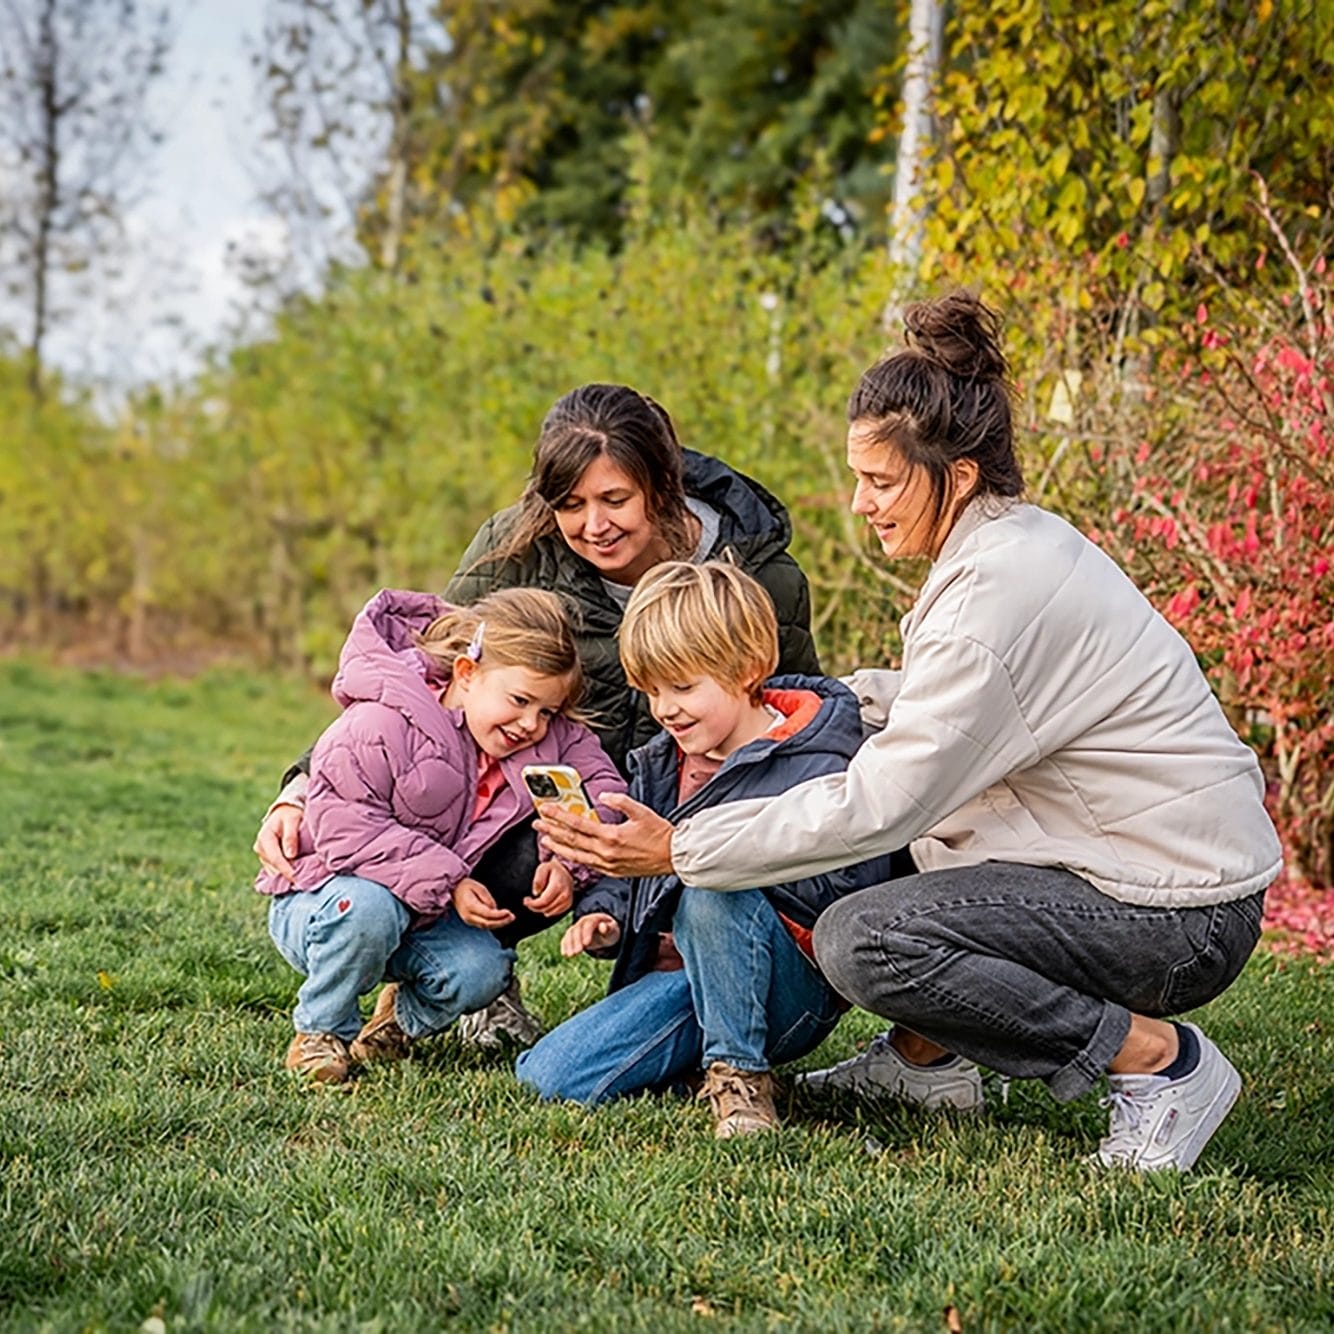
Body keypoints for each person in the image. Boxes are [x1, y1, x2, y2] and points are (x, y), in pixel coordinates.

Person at [534, 293, 1282, 1172]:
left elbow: (885, 802)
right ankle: (929, 1062)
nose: (861, 504)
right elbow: (957, 705)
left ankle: (1161, 1064)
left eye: (882, 482)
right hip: (1134, 866)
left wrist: (685, 849)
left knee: (867, 937)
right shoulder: (1011, 548)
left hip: (1175, 912)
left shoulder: (997, 592)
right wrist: (828, 700)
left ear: (956, 475)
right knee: (918, 864)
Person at [254, 382, 820, 1044]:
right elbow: (412, 679)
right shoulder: (515, 551)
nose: (593, 525)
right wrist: (299, 790)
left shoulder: (759, 575)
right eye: (570, 505)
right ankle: (467, 977)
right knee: (509, 841)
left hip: (697, 796)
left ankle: (718, 998)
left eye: (615, 500)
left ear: (660, 486)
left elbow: (795, 704)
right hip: (561, 795)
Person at [516, 561, 890, 1138]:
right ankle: (696, 1058)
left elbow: (845, 890)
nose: (665, 708)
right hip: (680, 980)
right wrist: (605, 915)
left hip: (783, 988)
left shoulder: (818, 761)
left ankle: (740, 1080)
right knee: (549, 1077)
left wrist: (707, 856)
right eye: (653, 690)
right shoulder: (663, 762)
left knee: (712, 888)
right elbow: (632, 866)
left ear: (748, 671)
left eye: (683, 687)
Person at [258, 585, 625, 1084]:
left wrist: (566, 863)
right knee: (369, 907)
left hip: (422, 916)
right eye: (520, 701)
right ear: (468, 673)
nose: (531, 724)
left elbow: (602, 796)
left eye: (547, 711)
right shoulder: (381, 721)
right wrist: (450, 881)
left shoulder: (548, 740)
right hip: (328, 901)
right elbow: (345, 828)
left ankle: (395, 1026)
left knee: (482, 970)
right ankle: (322, 1030)